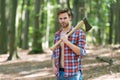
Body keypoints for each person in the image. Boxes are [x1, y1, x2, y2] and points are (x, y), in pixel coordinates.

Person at [51, 8, 86, 80]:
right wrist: (53, 66)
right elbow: (54, 53)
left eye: (65, 18)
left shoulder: (79, 33)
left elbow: (81, 52)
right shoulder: (57, 34)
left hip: (73, 74)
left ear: (70, 18)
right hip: (59, 74)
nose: (62, 20)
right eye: (60, 19)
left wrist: (67, 42)